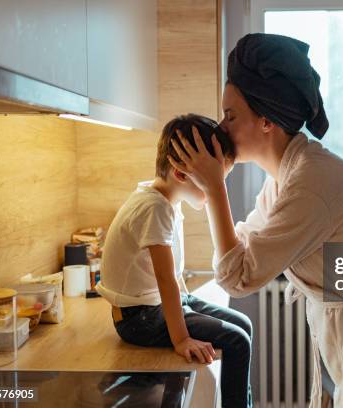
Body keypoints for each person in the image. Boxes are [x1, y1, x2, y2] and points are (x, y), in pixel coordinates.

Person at [168, 34, 343, 407]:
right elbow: (240, 252)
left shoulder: (309, 184)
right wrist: (210, 184)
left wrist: (214, 187)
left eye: (230, 115)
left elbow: (237, 277)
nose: (221, 127)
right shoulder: (285, 180)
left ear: (267, 120)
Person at [96, 114, 253, 408]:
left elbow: (171, 275)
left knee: (242, 324)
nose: (217, 190)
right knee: (238, 341)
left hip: (154, 307)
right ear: (181, 174)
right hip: (138, 319)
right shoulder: (155, 208)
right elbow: (165, 278)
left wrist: (186, 301)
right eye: (212, 181)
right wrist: (181, 339)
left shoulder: (162, 199)